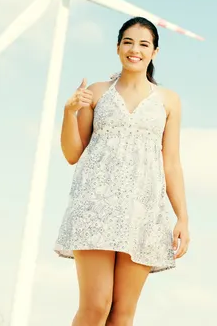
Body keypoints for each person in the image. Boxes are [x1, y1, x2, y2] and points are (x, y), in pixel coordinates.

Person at [54, 16, 190, 326]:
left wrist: (182, 216)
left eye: (144, 44)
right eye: (128, 42)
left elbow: (171, 162)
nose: (135, 49)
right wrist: (69, 111)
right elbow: (73, 153)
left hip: (144, 212)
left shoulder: (169, 100)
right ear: (117, 48)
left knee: (122, 314)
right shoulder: (98, 92)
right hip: (95, 206)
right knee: (95, 307)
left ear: (154, 52)